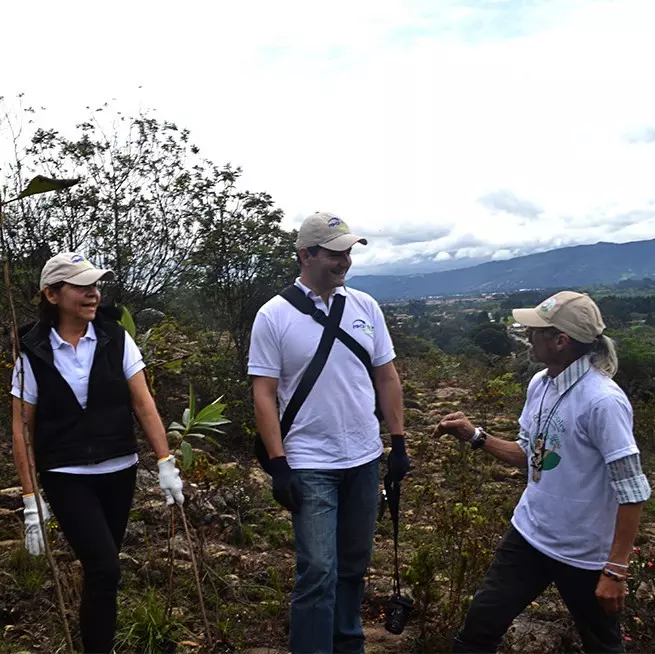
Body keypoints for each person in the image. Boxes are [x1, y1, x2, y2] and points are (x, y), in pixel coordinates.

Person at [436, 291, 652, 653]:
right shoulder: (541, 384)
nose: (526, 334)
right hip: (529, 536)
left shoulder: (603, 401)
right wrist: (475, 436)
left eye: (535, 330)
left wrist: (615, 569)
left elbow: (632, 489)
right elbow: (530, 454)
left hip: (585, 554)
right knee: (477, 631)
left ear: (560, 341)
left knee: (604, 646)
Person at [248, 212, 409, 654]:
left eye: (348, 253)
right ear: (306, 255)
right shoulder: (273, 316)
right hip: (309, 462)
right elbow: (263, 393)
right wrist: (278, 464)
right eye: (335, 253)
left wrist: (397, 442)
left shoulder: (365, 307)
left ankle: (348, 644)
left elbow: (387, 377)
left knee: (353, 566)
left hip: (363, 458)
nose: (345, 262)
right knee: (318, 569)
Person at [11, 252, 184, 654]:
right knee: (106, 568)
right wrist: (30, 498)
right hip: (67, 475)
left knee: (99, 573)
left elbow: (143, 402)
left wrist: (164, 461)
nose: (93, 294)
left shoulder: (114, 338)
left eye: (95, 286)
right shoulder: (31, 350)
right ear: (52, 294)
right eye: (81, 287)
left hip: (119, 470)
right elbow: (22, 429)